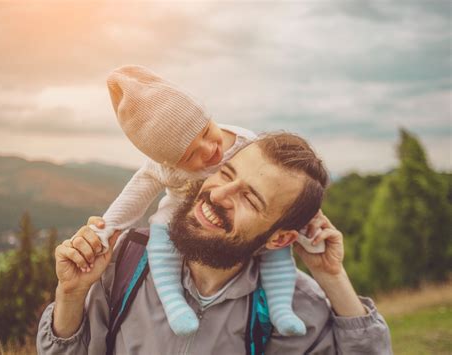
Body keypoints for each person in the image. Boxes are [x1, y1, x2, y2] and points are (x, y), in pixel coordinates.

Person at [36, 133, 392, 354]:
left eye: (250, 200)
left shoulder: (301, 310)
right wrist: (70, 294)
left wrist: (331, 276)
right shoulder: (123, 260)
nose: (218, 194)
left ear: (280, 238)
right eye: (226, 173)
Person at [85, 65, 309, 336]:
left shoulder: (245, 142)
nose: (210, 150)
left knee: (276, 248)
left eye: (205, 132)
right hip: (184, 210)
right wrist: (105, 228)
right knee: (160, 236)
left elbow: (280, 189)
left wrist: (306, 216)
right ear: (169, 162)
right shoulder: (162, 168)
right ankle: (175, 304)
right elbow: (134, 196)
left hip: (239, 217)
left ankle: (282, 309)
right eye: (190, 156)